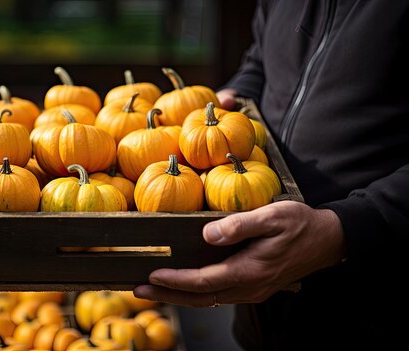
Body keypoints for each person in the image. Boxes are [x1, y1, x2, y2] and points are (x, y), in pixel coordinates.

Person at [134, 1, 409, 349]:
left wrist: (345, 229)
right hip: (263, 311)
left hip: (378, 304)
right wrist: (237, 96)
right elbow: (262, 59)